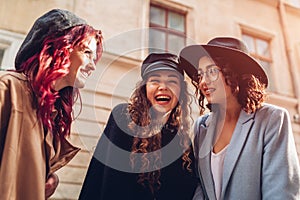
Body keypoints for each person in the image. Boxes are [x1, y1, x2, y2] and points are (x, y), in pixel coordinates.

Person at [179, 37, 300, 200]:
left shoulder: (272, 120)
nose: (203, 82)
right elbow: (201, 186)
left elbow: (281, 192)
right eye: (200, 75)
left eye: (212, 71)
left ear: (236, 73)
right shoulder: (202, 127)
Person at [0, 9, 103, 200]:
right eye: (87, 52)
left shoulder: (51, 110)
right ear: (58, 48)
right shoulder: (8, 88)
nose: (93, 65)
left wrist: (48, 179)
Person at [79, 53, 198, 200]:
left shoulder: (181, 140)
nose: (163, 87)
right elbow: (109, 182)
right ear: (145, 88)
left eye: (172, 81)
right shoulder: (124, 118)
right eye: (155, 81)